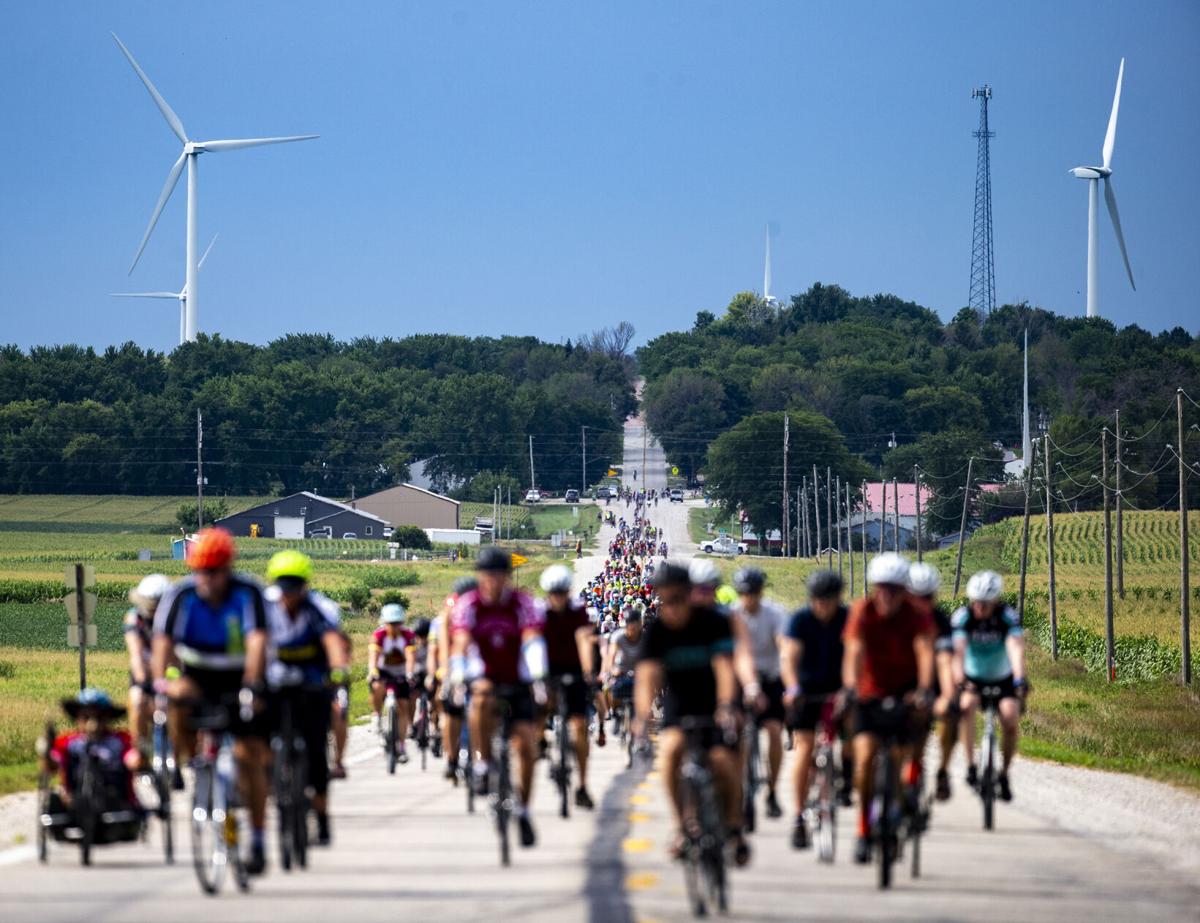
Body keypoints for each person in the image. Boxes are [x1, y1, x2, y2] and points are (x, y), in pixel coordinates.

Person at [153, 528, 271, 874]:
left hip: (238, 674)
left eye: (214, 571)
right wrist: (160, 683)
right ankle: (191, 760)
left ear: (228, 568)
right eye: (200, 571)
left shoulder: (248, 593)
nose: (207, 579)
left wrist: (252, 685)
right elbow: (162, 642)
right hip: (198, 673)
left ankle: (260, 838)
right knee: (176, 698)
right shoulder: (181, 595)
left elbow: (258, 641)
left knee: (250, 756)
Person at [634, 562, 750, 866]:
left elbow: (724, 668)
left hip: (714, 703)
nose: (673, 608)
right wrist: (641, 718)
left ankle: (735, 827)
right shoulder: (657, 631)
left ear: (690, 595)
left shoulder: (712, 622)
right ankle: (682, 826)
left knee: (725, 763)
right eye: (666, 601)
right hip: (679, 704)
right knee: (670, 752)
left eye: (679, 600)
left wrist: (726, 706)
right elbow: (647, 677)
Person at [842, 553, 935, 864]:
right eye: (883, 588)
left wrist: (924, 689)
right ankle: (863, 828)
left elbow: (924, 651)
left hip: (904, 693)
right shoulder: (862, 611)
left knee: (898, 754)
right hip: (869, 693)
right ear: (874, 588)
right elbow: (854, 651)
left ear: (904, 591)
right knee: (866, 757)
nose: (889, 595)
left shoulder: (915, 615)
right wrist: (851, 688)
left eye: (896, 589)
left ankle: (899, 802)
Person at [450, 545, 546, 848]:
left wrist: (538, 673)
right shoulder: (469, 604)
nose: (493, 581)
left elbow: (532, 638)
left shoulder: (523, 603)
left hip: (518, 677)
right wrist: (457, 674)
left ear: (507, 576)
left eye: (499, 575)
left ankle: (524, 810)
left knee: (526, 747)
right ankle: (482, 763)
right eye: (487, 575)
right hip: (485, 675)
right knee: (479, 699)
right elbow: (462, 641)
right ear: (480, 576)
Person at [263, 550, 349, 846]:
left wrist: (338, 672)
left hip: (312, 684)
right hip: (275, 684)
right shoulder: (265, 608)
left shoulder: (319, 609)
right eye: (283, 585)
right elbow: (254, 643)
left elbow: (332, 641)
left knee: (315, 754)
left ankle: (322, 818)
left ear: (305, 584)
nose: (288, 592)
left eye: (294, 585)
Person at [780, 570, 849, 849]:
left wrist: (852, 689)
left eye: (829, 600)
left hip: (840, 691)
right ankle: (798, 816)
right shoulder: (801, 620)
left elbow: (857, 655)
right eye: (818, 600)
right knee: (805, 749)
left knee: (856, 739)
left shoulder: (847, 619)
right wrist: (793, 688)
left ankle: (847, 778)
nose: (823, 605)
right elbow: (789, 658)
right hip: (806, 694)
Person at [952, 570, 1028, 802]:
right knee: (967, 707)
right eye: (976, 602)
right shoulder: (963, 617)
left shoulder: (1007, 616)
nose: (980, 608)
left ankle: (1004, 774)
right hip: (973, 676)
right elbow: (958, 651)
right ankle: (971, 765)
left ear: (995, 601)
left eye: (985, 604)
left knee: (1010, 718)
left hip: (1002, 676)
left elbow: (1015, 647)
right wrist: (960, 678)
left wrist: (1019, 678)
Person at [41, 688, 143, 845]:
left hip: (113, 799)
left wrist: (139, 756)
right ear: (77, 718)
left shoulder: (120, 740)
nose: (92, 723)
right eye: (86, 717)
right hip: (75, 800)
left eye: (99, 717)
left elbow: (132, 760)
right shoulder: (67, 742)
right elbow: (52, 765)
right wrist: (46, 751)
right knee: (53, 800)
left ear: (107, 718)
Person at [538, 564, 598, 809]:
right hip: (547, 668)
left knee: (579, 727)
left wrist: (587, 672)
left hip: (574, 668)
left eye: (562, 592)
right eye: (554, 593)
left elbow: (584, 640)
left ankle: (582, 786)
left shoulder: (578, 611)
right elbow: (533, 644)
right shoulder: (539, 613)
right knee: (540, 705)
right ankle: (541, 737)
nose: (559, 597)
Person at [730, 566, 788, 820]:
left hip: (770, 678)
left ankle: (773, 791)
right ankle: (739, 787)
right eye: (744, 593)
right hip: (739, 680)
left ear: (761, 593)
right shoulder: (731, 615)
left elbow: (784, 644)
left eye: (753, 592)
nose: (749, 598)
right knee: (736, 733)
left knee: (775, 732)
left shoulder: (774, 614)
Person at [907, 562, 958, 801]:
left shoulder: (940, 621)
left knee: (950, 717)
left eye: (927, 597)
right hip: (904, 681)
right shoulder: (896, 619)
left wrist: (948, 696)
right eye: (916, 597)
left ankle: (943, 772)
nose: (922, 603)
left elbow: (945, 661)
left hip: (934, 683)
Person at [430, 576, 476, 782]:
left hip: (476, 664)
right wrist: (444, 671)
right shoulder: (449, 613)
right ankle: (451, 758)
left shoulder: (481, 607)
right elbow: (443, 645)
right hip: (454, 663)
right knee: (449, 707)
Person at [123, 574, 171, 755]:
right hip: (145, 671)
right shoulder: (134, 618)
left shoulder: (175, 617)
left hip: (171, 670)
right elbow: (136, 654)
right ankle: (140, 752)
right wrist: (144, 683)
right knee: (137, 701)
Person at [369, 604, 416, 763]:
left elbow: (410, 657)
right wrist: (373, 671)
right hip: (384, 671)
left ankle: (401, 745)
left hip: (401, 672)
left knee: (403, 706)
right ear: (384, 623)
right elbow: (373, 655)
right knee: (377, 686)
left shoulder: (408, 635)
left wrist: (410, 673)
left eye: (397, 623)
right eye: (390, 623)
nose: (394, 627)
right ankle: (376, 715)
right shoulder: (379, 635)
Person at [602, 604, 643, 733]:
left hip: (639, 671)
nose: (631, 627)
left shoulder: (645, 637)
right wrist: (612, 669)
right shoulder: (618, 636)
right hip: (620, 670)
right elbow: (611, 655)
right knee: (609, 688)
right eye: (629, 623)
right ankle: (615, 713)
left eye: (634, 623)